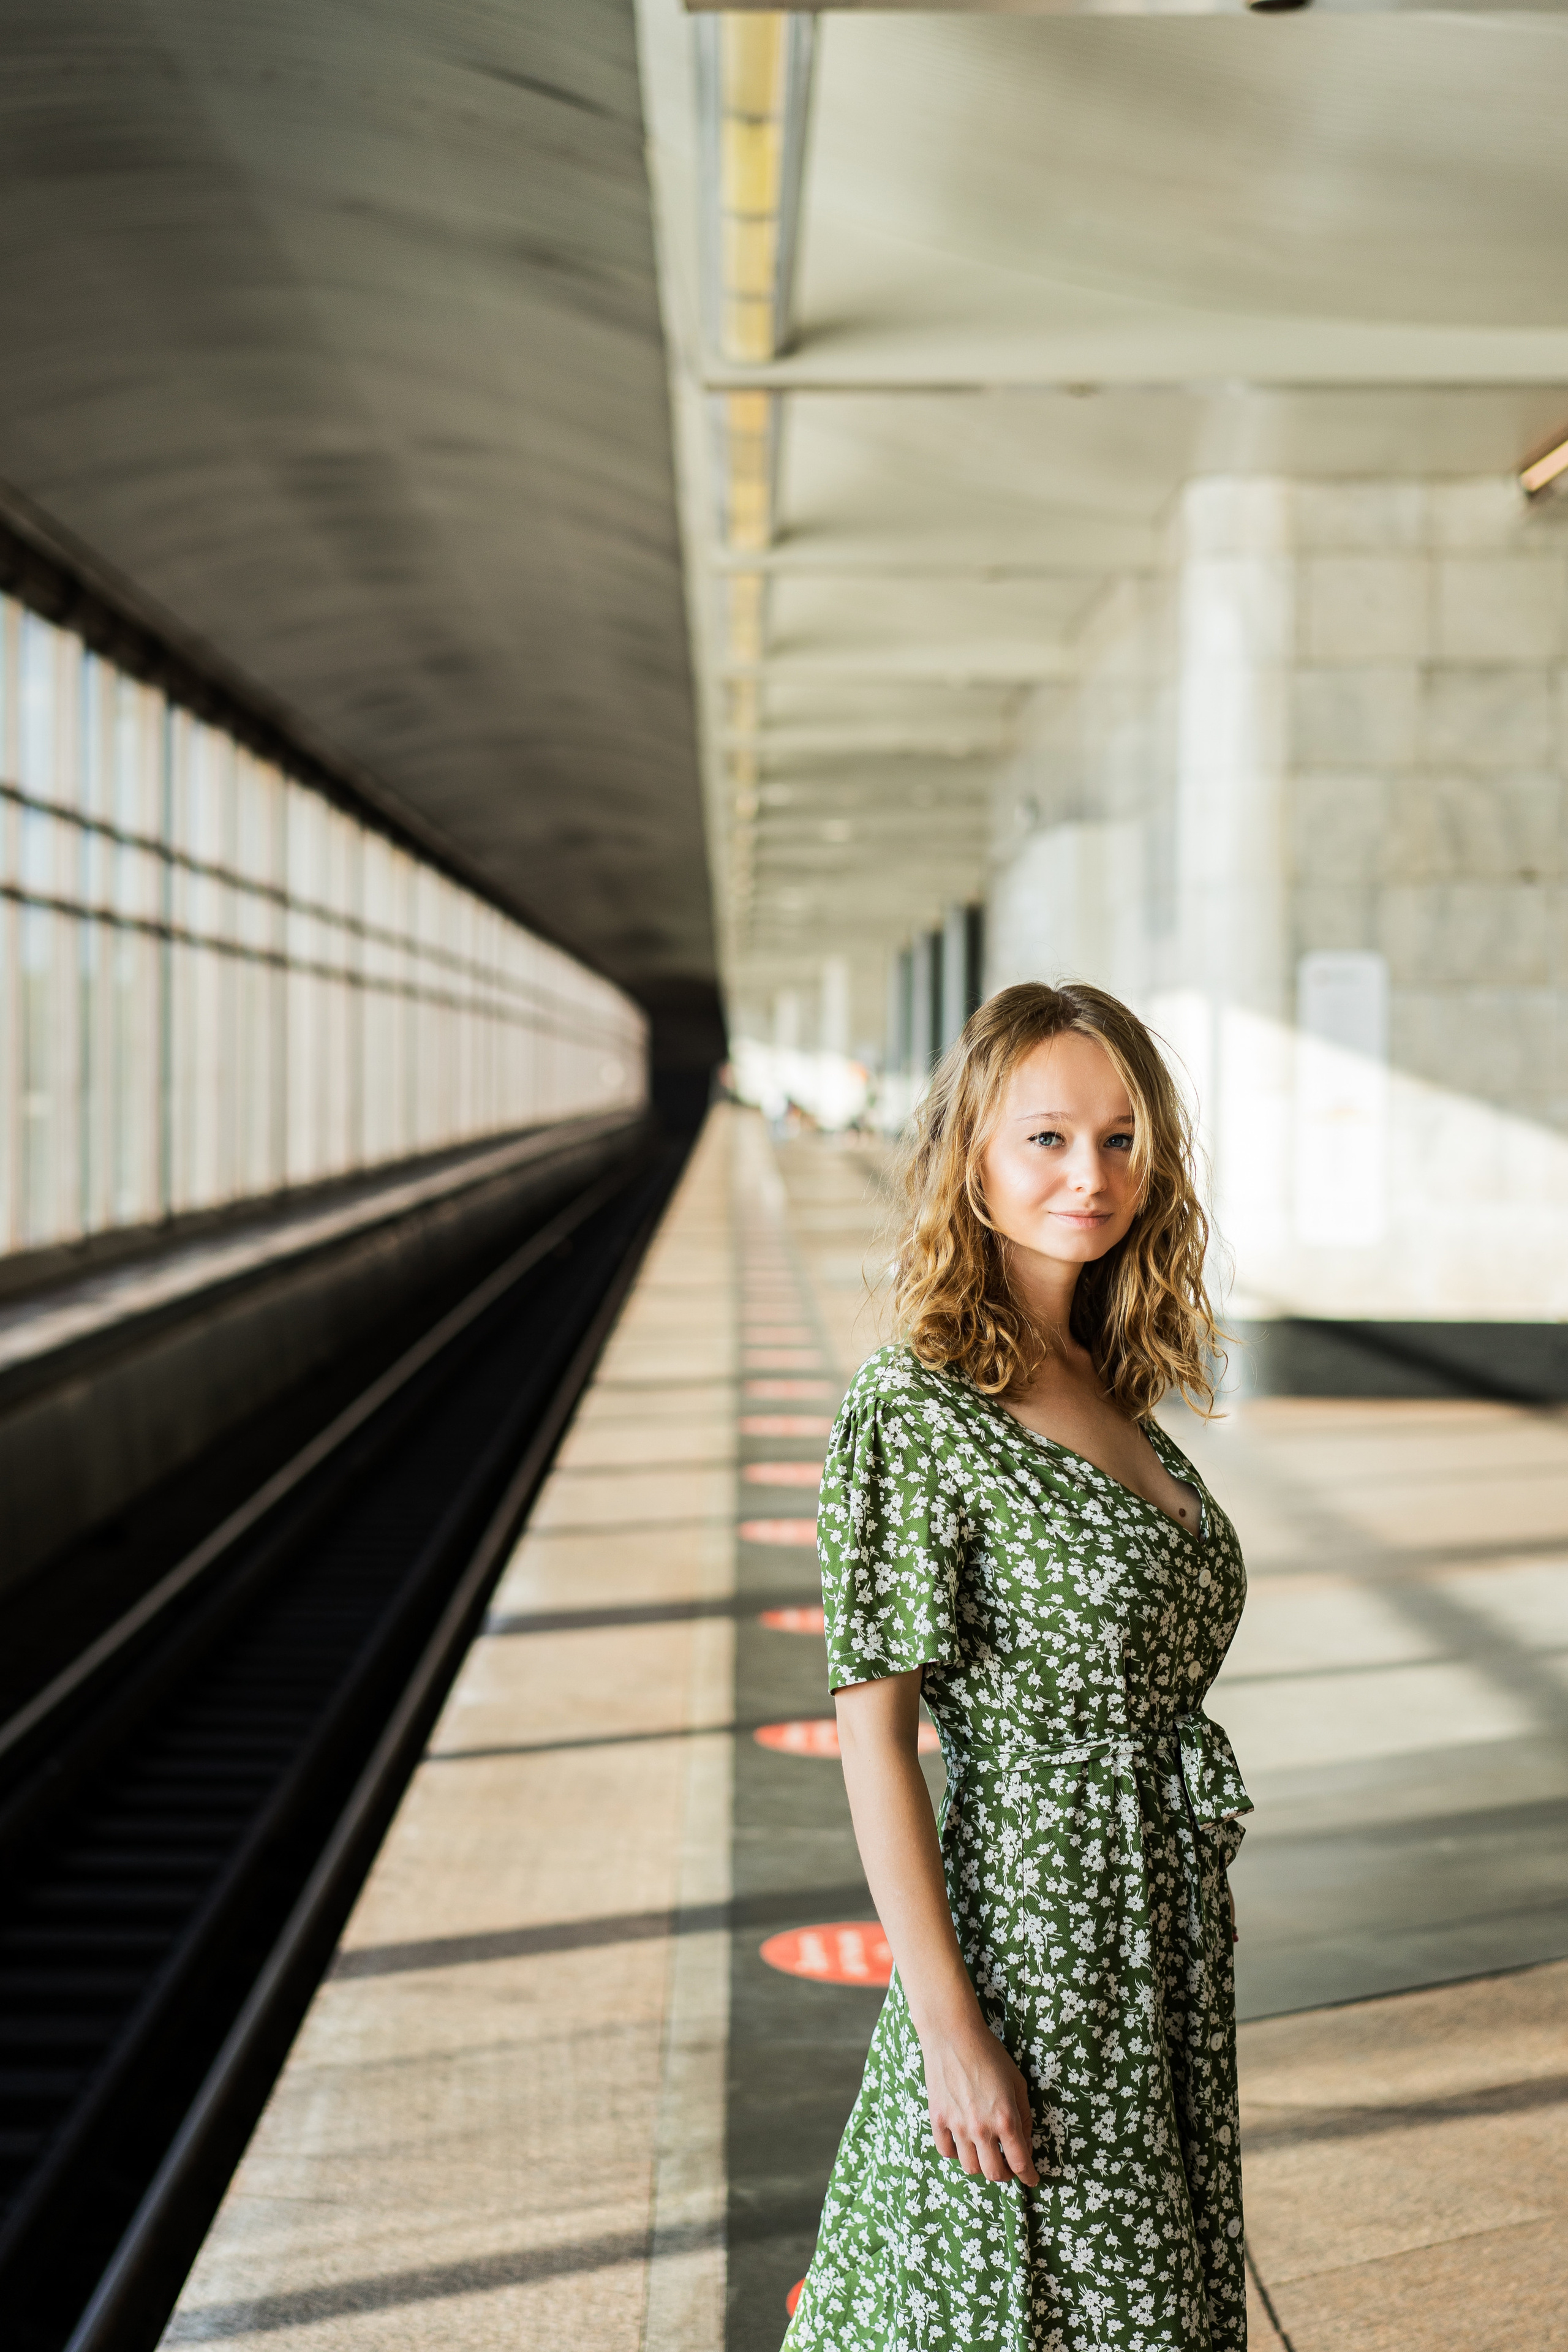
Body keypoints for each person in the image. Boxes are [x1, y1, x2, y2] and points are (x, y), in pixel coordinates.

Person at [783, 981, 1251, 2352]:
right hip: (1033, 1938)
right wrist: (949, 2031)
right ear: (972, 1157)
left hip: (1156, 1930)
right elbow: (875, 1737)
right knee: (1025, 2296)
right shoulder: (915, 1404)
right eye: (1046, 1138)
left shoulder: (1109, 1378)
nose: (1088, 1175)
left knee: (1138, 2294)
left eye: (1119, 1139)